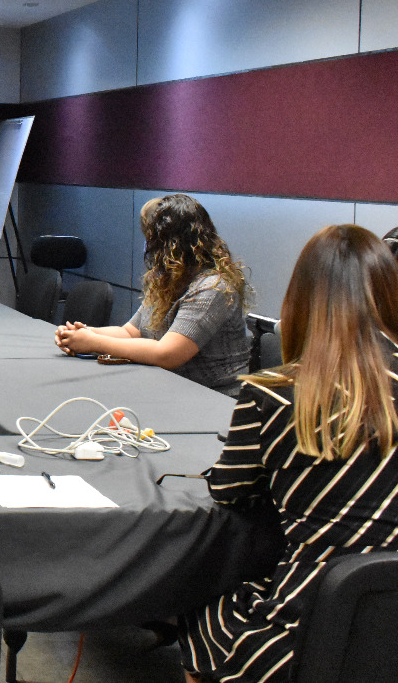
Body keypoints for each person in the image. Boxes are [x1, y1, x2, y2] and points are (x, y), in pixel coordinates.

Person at [178, 224, 398, 683]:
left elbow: (230, 491)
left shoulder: (272, 395)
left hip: (309, 625)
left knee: (202, 614)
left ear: (302, 301)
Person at [55, 193, 250, 396]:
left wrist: (94, 343)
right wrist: (82, 334)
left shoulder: (213, 288)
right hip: (174, 390)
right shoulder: (169, 281)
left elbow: (167, 354)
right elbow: (131, 332)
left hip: (214, 399)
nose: (147, 248)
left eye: (151, 239)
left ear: (169, 244)